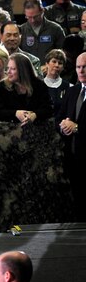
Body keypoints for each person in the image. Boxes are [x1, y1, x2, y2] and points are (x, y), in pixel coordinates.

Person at [57, 52, 86, 216]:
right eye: (78, 67)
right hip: (73, 157)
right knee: (78, 202)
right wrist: (63, 126)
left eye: (84, 67)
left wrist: (77, 128)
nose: (81, 71)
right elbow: (59, 117)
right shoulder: (72, 91)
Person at [0, 53, 53, 124]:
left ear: (23, 70)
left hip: (36, 128)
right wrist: (15, 113)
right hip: (8, 130)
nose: (8, 72)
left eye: (13, 69)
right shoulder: (1, 88)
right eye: (8, 68)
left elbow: (48, 108)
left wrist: (35, 115)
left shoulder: (39, 85)